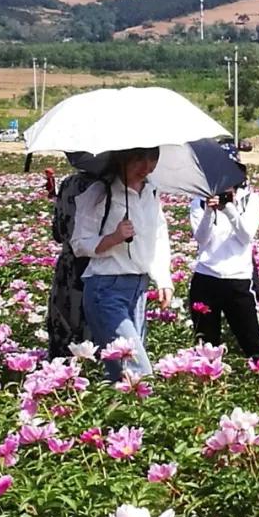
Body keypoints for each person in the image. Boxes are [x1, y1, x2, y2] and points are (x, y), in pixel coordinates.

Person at [71, 147, 173, 382]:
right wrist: (113, 238)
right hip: (105, 288)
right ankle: (148, 419)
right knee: (138, 373)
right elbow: (78, 244)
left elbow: (158, 237)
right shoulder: (99, 193)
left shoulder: (151, 192)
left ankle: (122, 418)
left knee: (124, 371)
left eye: (152, 159)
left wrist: (163, 278)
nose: (146, 167)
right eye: (139, 159)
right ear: (122, 158)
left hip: (138, 288)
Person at [189, 165, 259, 357]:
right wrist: (209, 211)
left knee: (253, 342)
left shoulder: (250, 199)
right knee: (205, 344)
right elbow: (201, 239)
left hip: (237, 279)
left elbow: (246, 235)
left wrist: (229, 208)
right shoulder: (199, 201)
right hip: (206, 277)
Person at [47, 171, 100, 360]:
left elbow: (58, 232)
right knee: (91, 335)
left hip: (68, 268)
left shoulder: (70, 182)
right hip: (97, 268)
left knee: (64, 327)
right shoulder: (113, 185)